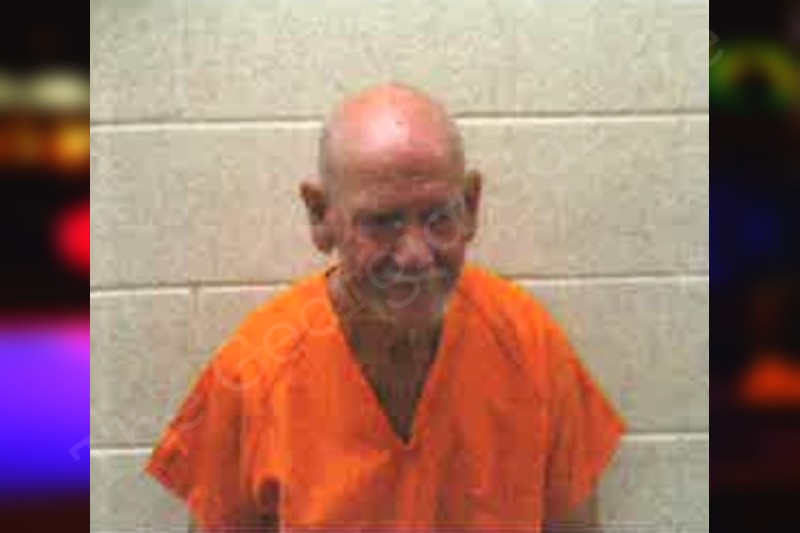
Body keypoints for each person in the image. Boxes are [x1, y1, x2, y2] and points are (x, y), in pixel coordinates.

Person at [145, 83, 626, 532]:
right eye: (381, 222)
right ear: (320, 215)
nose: (415, 255)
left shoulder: (529, 345)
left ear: (471, 206)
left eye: (439, 217)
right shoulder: (254, 373)